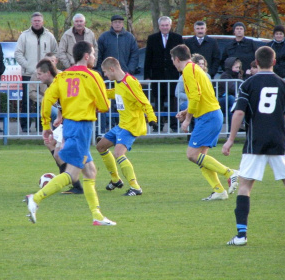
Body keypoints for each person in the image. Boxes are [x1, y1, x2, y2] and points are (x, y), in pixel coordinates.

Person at [222, 46, 285, 246]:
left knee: (245, 186)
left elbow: (239, 113)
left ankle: (241, 235)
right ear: (274, 62)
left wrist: (230, 139)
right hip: (280, 142)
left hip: (255, 142)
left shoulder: (247, 84)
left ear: (256, 62)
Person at [24, 41, 115, 226]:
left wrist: (45, 125)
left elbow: (47, 100)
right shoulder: (93, 76)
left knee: (90, 172)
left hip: (70, 126)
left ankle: (97, 215)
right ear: (87, 56)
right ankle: (36, 198)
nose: (95, 57)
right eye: (94, 53)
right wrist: (93, 105)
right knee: (72, 174)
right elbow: (105, 105)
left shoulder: (62, 76)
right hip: (82, 127)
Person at [171, 44, 239, 201]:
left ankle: (229, 172)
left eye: (172, 60)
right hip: (211, 114)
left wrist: (187, 120)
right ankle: (219, 191)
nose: (173, 63)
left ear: (176, 59)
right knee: (201, 157)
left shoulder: (188, 70)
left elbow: (195, 97)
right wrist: (187, 111)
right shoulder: (195, 68)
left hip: (208, 116)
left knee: (192, 154)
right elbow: (199, 96)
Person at [96, 57, 157, 196]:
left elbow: (144, 102)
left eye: (105, 72)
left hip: (131, 125)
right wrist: (98, 94)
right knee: (101, 146)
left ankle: (135, 187)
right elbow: (114, 93)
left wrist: (152, 118)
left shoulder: (130, 82)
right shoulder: (119, 82)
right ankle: (115, 180)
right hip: (122, 125)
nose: (105, 75)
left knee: (118, 153)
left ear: (112, 69)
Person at [34, 58, 84, 194]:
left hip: (74, 121)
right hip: (66, 120)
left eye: (39, 74)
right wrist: (59, 116)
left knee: (59, 154)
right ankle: (71, 181)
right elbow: (64, 102)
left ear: (48, 73)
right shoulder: (54, 83)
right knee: (49, 143)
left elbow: (71, 100)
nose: (37, 77)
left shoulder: (62, 81)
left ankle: (75, 184)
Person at [14, 12, 58, 133]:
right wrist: (30, 68)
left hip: (46, 75)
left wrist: (49, 68)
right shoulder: (24, 36)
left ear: (42, 22)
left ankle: (41, 126)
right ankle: (25, 126)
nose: (37, 22)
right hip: (29, 74)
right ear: (31, 22)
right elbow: (18, 53)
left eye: (39, 20)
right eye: (35, 21)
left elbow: (55, 52)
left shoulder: (49, 36)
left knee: (44, 98)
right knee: (27, 100)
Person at [143, 16, 183, 132]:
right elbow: (148, 58)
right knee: (158, 101)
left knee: (173, 101)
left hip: (173, 75)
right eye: (162, 25)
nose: (165, 27)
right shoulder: (152, 38)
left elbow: (182, 56)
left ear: (170, 26)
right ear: (159, 26)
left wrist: (182, 73)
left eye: (167, 25)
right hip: (157, 75)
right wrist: (147, 75)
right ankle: (158, 125)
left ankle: (174, 125)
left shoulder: (177, 38)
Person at [218, 57, 243, 131]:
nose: (238, 69)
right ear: (230, 66)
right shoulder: (224, 76)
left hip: (231, 100)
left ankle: (230, 133)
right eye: (236, 67)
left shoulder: (238, 75)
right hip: (222, 99)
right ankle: (241, 122)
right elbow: (233, 88)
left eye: (239, 67)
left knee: (231, 110)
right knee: (232, 99)